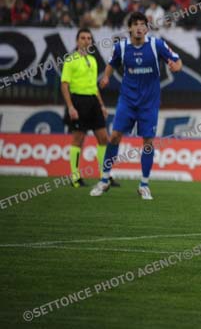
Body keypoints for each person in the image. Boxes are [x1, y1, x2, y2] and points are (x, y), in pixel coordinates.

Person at [90, 12, 183, 200]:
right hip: (127, 100)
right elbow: (112, 63)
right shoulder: (121, 47)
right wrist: (106, 76)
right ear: (130, 28)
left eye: (142, 24)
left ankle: (144, 185)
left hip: (149, 103)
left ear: (147, 28)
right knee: (114, 136)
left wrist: (177, 67)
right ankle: (105, 179)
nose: (139, 27)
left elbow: (177, 59)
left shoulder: (156, 45)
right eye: (135, 24)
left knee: (148, 142)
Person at [60, 29, 110, 188]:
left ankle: (104, 176)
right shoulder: (70, 60)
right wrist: (70, 107)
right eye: (83, 38)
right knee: (78, 139)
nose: (86, 41)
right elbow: (64, 85)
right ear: (77, 41)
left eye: (89, 38)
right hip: (78, 101)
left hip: (93, 101)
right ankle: (75, 177)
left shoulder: (92, 60)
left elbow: (94, 86)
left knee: (103, 138)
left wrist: (101, 105)